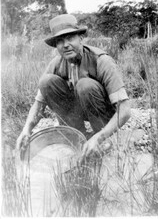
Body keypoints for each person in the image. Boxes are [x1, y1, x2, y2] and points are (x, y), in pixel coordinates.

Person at [16, 14, 131, 160]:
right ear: (56, 46)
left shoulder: (102, 61)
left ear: (81, 38)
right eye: (60, 41)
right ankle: (76, 137)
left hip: (104, 114)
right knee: (46, 82)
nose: (65, 45)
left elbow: (125, 110)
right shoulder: (56, 63)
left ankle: (101, 140)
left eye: (70, 38)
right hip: (78, 111)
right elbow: (38, 105)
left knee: (85, 85)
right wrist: (26, 130)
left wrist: (99, 137)